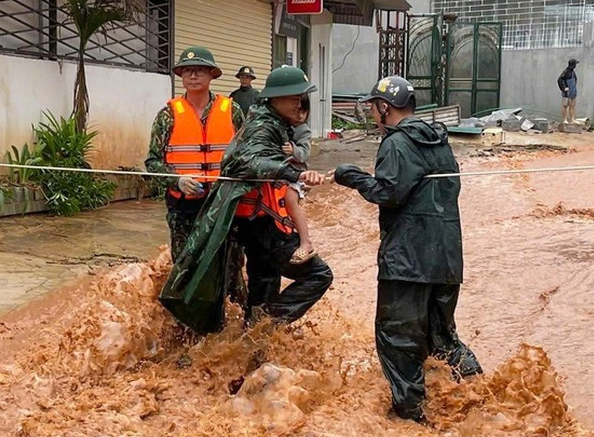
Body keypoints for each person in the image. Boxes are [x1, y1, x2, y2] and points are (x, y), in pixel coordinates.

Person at [330, 76, 482, 422]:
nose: (371, 113)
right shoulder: (441, 142)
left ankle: (410, 418)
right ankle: (483, 399)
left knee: (397, 338)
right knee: (442, 337)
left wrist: (350, 176)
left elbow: (389, 193)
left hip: (407, 261)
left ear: (385, 107)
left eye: (373, 106)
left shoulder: (396, 143)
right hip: (446, 258)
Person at [159, 66, 332, 334]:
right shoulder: (263, 126)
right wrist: (294, 172)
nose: (300, 102)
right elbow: (249, 161)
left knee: (260, 291)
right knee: (319, 275)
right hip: (260, 224)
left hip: (260, 221)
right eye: (294, 96)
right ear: (275, 99)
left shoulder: (269, 121)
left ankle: (252, 342)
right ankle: (265, 326)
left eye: (301, 97)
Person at [144, 46, 244, 262]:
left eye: (199, 70)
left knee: (230, 262)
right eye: (187, 70)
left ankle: (233, 296)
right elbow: (152, 162)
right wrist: (177, 180)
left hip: (224, 202)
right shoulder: (167, 116)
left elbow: (246, 155)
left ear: (211, 75)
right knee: (184, 265)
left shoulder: (232, 111)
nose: (193, 75)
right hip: (183, 206)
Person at [281, 94, 315, 264]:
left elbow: (304, 155)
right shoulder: (279, 124)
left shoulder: (304, 130)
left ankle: (306, 241)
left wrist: (293, 150)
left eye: (304, 112)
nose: (300, 116)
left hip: (297, 173)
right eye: (297, 111)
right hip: (280, 173)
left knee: (290, 199)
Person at [557, 58, 579, 124]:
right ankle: (565, 120)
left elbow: (575, 80)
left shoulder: (573, 72)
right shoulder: (566, 71)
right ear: (573, 65)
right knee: (565, 106)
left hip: (573, 92)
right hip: (566, 93)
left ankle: (572, 119)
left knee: (572, 106)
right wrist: (564, 88)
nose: (576, 65)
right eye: (575, 64)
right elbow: (559, 80)